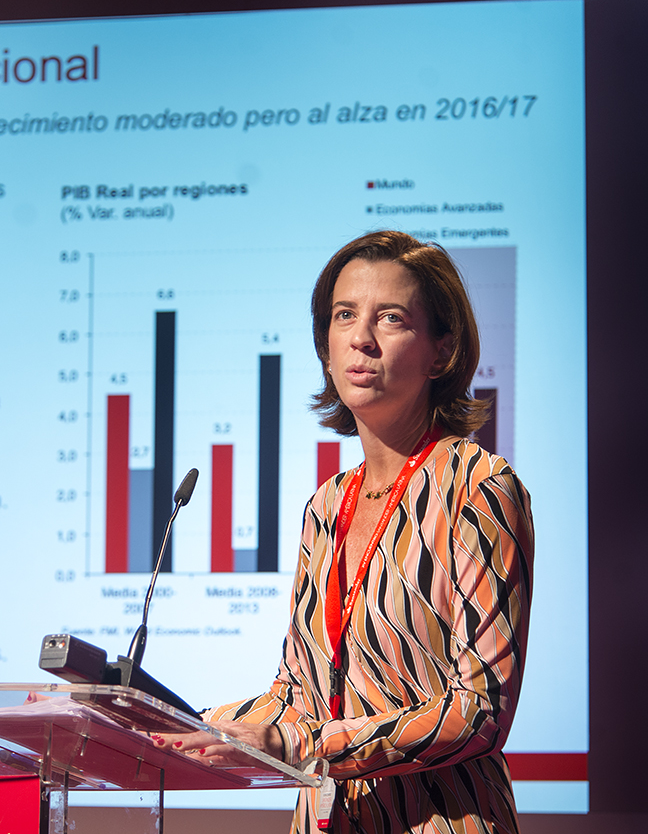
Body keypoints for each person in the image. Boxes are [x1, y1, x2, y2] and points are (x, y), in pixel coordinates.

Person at [153, 230, 534, 833]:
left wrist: (306, 746)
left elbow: (481, 709)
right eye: (345, 315)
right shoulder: (327, 506)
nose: (361, 337)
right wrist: (167, 724)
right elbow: (298, 696)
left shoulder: (478, 486)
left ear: (441, 351)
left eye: (391, 318)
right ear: (325, 346)